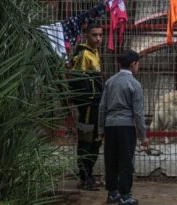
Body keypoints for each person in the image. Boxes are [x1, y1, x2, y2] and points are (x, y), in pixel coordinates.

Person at [98, 49, 149, 205]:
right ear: (133, 64)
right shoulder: (135, 84)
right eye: (138, 63)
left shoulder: (110, 82)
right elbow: (138, 114)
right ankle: (125, 195)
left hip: (110, 126)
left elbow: (102, 107)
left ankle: (112, 193)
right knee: (126, 161)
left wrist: (101, 129)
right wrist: (143, 136)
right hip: (126, 127)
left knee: (111, 159)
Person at [70, 22, 104, 191]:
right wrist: (89, 100)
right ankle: (84, 178)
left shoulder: (94, 52)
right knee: (86, 140)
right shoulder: (84, 54)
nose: (98, 38)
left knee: (96, 140)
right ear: (87, 36)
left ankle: (89, 175)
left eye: (100, 35)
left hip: (96, 105)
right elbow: (80, 81)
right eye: (94, 35)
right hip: (89, 106)